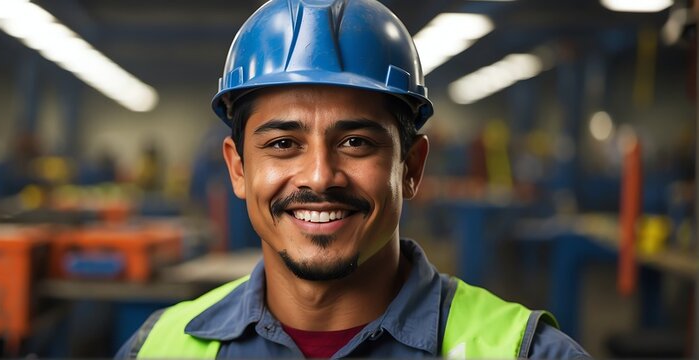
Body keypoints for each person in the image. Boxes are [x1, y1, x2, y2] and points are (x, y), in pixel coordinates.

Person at [117, 0, 589, 358]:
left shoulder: (526, 352)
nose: (320, 176)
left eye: (356, 142)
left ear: (411, 168)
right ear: (238, 168)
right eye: (283, 144)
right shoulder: (159, 347)